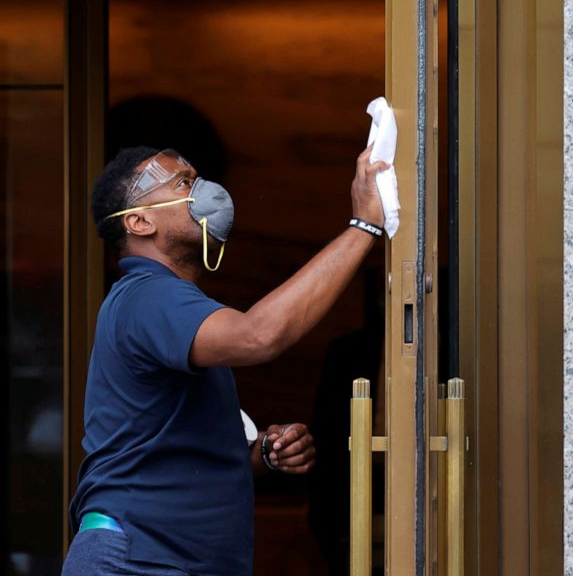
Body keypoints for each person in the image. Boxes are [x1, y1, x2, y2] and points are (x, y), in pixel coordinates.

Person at [62, 145, 389, 575]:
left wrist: (264, 454)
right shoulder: (149, 295)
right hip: (137, 559)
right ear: (139, 221)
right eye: (183, 183)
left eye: (196, 178)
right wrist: (364, 225)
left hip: (169, 558)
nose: (202, 191)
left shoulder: (178, 312)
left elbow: (177, 449)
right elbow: (260, 336)